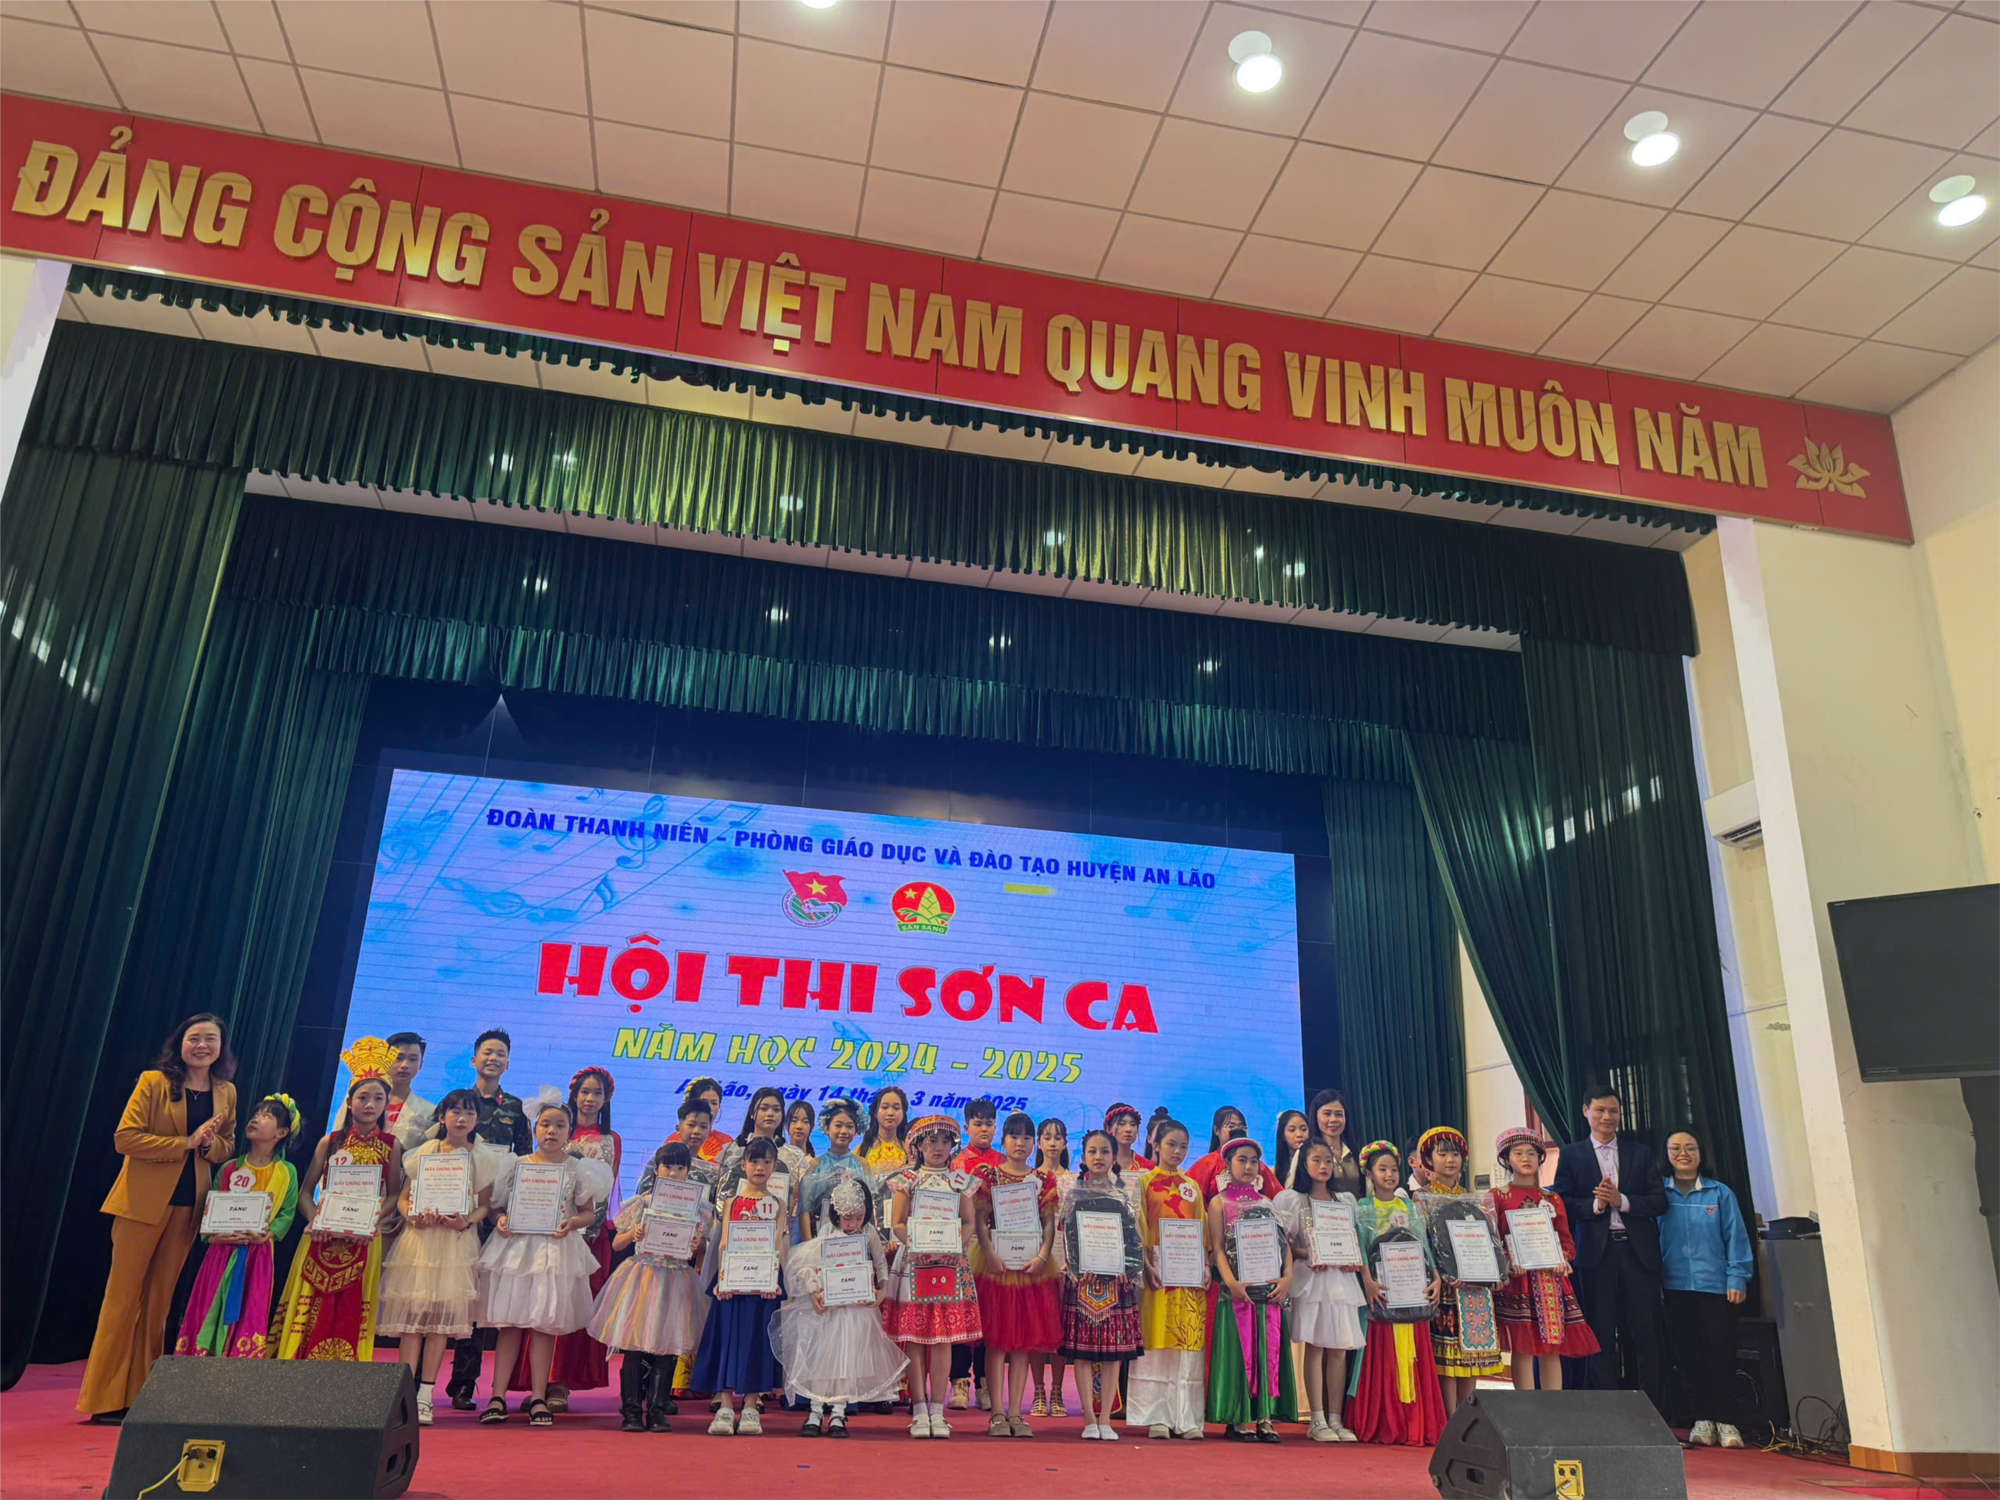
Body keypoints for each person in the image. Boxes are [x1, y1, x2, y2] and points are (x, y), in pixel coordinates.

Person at [78, 1013, 238, 1422]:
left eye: (211, 1039)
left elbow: (227, 1145)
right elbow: (125, 1138)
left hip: (188, 1208)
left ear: (221, 1047)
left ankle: (140, 1397)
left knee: (159, 1304)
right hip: (141, 1204)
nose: (202, 1046)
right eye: (194, 1038)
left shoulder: (226, 1091)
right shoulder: (153, 1082)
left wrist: (209, 1145)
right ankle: (103, 1399)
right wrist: (185, 1142)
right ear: (180, 1043)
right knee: (122, 1300)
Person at [476, 1090, 611, 1427]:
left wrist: (571, 1223)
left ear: (569, 1132)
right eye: (545, 1125)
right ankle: (497, 1396)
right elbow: (495, 1208)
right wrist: (500, 1220)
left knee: (543, 1325)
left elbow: (587, 1212)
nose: (552, 1131)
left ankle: (539, 1397)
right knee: (509, 1323)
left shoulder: (578, 1169)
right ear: (534, 1129)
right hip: (516, 1251)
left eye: (560, 1125)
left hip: (554, 1252)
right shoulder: (516, 1165)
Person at [275, 1037, 406, 1363]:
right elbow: (306, 1192)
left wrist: (373, 1219)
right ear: (349, 1101)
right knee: (310, 1304)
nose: (370, 1104)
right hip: (322, 1236)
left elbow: (392, 1194)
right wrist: (316, 1221)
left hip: (364, 1238)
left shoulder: (392, 1145)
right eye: (363, 1097)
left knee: (353, 1306)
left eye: (378, 1098)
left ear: (386, 1104)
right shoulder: (329, 1142)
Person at [381, 1088, 495, 1424]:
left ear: (477, 1119)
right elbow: (405, 1198)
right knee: (412, 1322)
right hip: (420, 1242)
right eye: (455, 1111)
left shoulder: (482, 1157)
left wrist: (466, 1221)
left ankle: (425, 1396)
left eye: (469, 1113)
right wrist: (411, 1216)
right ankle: (403, 1395)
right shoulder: (424, 1153)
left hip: (455, 1244)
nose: (462, 1119)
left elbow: (485, 1205)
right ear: (442, 1116)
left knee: (438, 1324)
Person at [1552, 1085, 1665, 1408]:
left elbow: (1659, 1201)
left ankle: (1652, 1410)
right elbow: (1562, 1202)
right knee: (1600, 1333)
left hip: (1637, 1254)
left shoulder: (1640, 1153)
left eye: (1613, 1111)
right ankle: (1609, 1410)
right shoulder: (1572, 1154)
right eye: (1600, 1110)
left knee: (1645, 1334)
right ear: (1585, 1111)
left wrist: (1622, 1200)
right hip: (1596, 1256)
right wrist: (1596, 1205)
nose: (1607, 1117)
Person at [773, 1174, 907, 1437]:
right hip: (828, 1309)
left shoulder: (868, 1232)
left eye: (859, 1218)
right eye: (848, 1219)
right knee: (821, 1360)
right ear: (836, 1214)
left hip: (856, 1310)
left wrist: (882, 1289)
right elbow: (811, 1264)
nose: (853, 1224)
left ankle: (838, 1413)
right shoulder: (827, 1231)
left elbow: (881, 1264)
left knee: (847, 1360)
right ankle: (815, 1411)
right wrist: (813, 1291)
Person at [591, 1141, 712, 1433]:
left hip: (676, 1280)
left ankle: (657, 1409)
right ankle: (631, 1410)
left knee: (667, 1348)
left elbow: (702, 1249)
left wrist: (698, 1244)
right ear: (656, 1169)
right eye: (667, 1166)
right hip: (643, 1279)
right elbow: (617, 1243)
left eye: (680, 1167)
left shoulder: (697, 1209)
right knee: (635, 1346)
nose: (673, 1173)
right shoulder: (642, 1203)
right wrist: (635, 1232)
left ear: (688, 1171)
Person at [173, 1093, 300, 1361]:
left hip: (257, 1254)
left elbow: (287, 1213)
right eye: (256, 1114)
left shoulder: (286, 1172)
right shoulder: (230, 1168)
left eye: (266, 1116)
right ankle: (199, 1356)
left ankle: (237, 1363)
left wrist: (267, 1234)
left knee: (249, 1305)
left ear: (281, 1132)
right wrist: (213, 1236)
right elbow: (211, 1208)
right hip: (221, 1252)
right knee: (210, 1299)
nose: (256, 1119)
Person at [443, 1027, 531, 1410]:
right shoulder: (456, 1102)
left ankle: (464, 1383)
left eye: (501, 1054)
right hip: (452, 1211)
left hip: (494, 1218)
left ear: (508, 1063)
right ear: (474, 1059)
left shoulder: (515, 1108)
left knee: (476, 1301)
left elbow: (526, 1163)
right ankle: (417, 1379)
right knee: (443, 1292)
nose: (493, 1058)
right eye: (487, 1052)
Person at [883, 1113, 981, 1438]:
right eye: (931, 1141)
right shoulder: (907, 1181)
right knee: (914, 1338)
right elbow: (898, 1223)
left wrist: (954, 1247)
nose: (938, 1147)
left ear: (953, 1146)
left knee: (943, 1338)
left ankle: (938, 1410)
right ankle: (919, 1409)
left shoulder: (960, 1181)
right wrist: (919, 1245)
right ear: (918, 1145)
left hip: (950, 1264)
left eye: (944, 1141)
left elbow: (969, 1222)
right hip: (915, 1263)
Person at [530, 1066, 621, 1411]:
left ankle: (561, 1382)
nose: (590, 1099)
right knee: (540, 1305)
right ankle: (535, 1383)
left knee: (573, 1307)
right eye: (585, 1091)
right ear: (573, 1094)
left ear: (606, 1098)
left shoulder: (612, 1140)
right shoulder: (556, 1128)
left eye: (597, 1093)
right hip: (547, 1232)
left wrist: (590, 1225)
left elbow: (608, 1190)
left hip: (592, 1236)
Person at [1660, 1129, 1754, 1449]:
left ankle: (1726, 1420)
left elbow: (1736, 1237)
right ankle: (1701, 1419)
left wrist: (1737, 1277)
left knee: (1721, 1353)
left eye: (1690, 1148)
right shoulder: (1660, 1195)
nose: (1683, 1154)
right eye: (1675, 1148)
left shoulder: (1720, 1193)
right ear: (1666, 1155)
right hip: (1674, 1287)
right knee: (1688, 1356)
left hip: (1717, 1288)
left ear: (1701, 1154)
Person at [1349, 1140, 1446, 1446]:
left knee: (1414, 1353)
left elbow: (1423, 1247)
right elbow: (1359, 1247)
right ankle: (1384, 1421)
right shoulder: (1362, 1208)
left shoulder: (1409, 1206)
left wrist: (1436, 1277)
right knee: (1382, 1356)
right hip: (1381, 1294)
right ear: (1369, 1174)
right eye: (1382, 1169)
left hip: (1411, 1291)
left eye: (1393, 1169)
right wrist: (1367, 1279)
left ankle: (1414, 1422)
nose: (1389, 1175)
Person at [969, 1110, 1061, 1434]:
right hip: (996, 1267)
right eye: (1014, 1136)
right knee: (996, 1341)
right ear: (1003, 1140)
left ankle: (1016, 1412)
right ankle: (996, 1412)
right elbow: (980, 1221)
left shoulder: (1043, 1180)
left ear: (1034, 1143)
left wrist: (1043, 1256)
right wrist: (989, 1253)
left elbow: (1049, 1223)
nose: (1020, 1143)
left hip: (1031, 1267)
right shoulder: (989, 1176)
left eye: (1026, 1137)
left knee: (1023, 1342)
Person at [693, 1134, 791, 1435]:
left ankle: (750, 1406)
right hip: (732, 1282)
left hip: (763, 1284)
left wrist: (774, 1277)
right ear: (744, 1164)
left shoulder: (778, 1204)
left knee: (757, 1341)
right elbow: (724, 1242)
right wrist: (723, 1278)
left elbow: (778, 1243)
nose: (760, 1167)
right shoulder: (733, 1202)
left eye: (766, 1162)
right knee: (727, 1338)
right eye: (754, 1161)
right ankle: (725, 1406)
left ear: (774, 1166)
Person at [1275, 1138, 1366, 1442]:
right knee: (1315, 1348)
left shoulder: (1345, 1200)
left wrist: (1352, 1259)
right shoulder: (1293, 1200)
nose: (1324, 1166)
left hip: (1341, 1281)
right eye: (1316, 1160)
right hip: (1312, 1281)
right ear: (1303, 1163)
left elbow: (1353, 1240)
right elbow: (1285, 1246)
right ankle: (1316, 1418)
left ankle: (1336, 1418)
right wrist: (1308, 1254)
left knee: (1339, 1350)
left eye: (1328, 1160)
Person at [1494, 1126, 1599, 1390]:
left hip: (1549, 1280)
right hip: (1518, 1280)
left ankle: (1554, 1406)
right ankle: (1527, 1408)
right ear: (1507, 1159)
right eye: (1518, 1153)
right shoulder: (1498, 1197)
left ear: (1540, 1158)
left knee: (1552, 1348)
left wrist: (1563, 1257)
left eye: (1531, 1153)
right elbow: (1493, 1239)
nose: (1526, 1158)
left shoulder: (1552, 1198)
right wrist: (1507, 1260)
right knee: (1523, 1347)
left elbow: (1565, 1239)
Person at [1206, 1134, 1296, 1441]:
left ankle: (1265, 1417)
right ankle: (1239, 1418)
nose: (1248, 1166)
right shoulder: (1219, 1203)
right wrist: (1231, 1282)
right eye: (1241, 1160)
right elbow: (1218, 1249)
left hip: (1268, 1291)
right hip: (1236, 1293)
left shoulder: (1267, 1203)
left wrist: (1287, 1277)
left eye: (1253, 1161)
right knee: (1240, 1352)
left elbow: (1283, 1246)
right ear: (1227, 1165)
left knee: (1267, 1351)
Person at [1416, 1127, 1509, 1414]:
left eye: (1455, 1154)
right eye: (1442, 1154)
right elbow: (1423, 1244)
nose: (1450, 1160)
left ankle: (1467, 1416)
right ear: (1428, 1159)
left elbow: (1490, 1240)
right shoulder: (1421, 1198)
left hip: (1475, 1285)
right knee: (1447, 1358)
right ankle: (1449, 1420)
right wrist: (1440, 1273)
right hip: (1445, 1286)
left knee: (1470, 1359)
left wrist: (1497, 1271)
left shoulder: (1473, 1198)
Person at [1059, 1129, 1143, 1441]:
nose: (1098, 1157)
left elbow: (1133, 1240)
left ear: (1113, 1157)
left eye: (1105, 1151)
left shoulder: (1124, 1196)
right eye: (1092, 1151)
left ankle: (1106, 1418)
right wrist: (1077, 1269)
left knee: (1113, 1354)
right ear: (1083, 1156)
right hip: (1083, 1281)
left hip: (1117, 1284)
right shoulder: (1073, 1194)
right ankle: (1089, 1419)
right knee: (1082, 1353)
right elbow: (1069, 1237)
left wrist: (1128, 1269)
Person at [1127, 1116, 1208, 1440]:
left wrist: (1204, 1266)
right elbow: (1139, 1227)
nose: (1177, 1151)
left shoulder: (1193, 1187)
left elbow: (1201, 1228)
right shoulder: (1144, 1182)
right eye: (1171, 1144)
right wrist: (1147, 1266)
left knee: (1187, 1344)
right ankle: (1157, 1416)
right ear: (1155, 1144)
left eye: (1183, 1146)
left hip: (1189, 1278)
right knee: (1157, 1343)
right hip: (1158, 1277)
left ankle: (1187, 1418)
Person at [949, 1096, 1003, 1410]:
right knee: (961, 1314)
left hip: (995, 1249)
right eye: (978, 1124)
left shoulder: (1004, 1162)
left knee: (989, 1315)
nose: (985, 1129)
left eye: (990, 1124)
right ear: (966, 1127)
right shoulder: (956, 1164)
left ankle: (984, 1382)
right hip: (964, 1246)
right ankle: (959, 1381)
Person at [1031, 1116, 1074, 1418]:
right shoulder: (1029, 1179)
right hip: (1035, 1262)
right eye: (1047, 1137)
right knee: (1036, 1328)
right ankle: (1038, 1391)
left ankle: (1057, 1391)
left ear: (1066, 1143)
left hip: (1066, 1263)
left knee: (1060, 1329)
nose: (1052, 1143)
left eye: (1058, 1138)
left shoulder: (1075, 1181)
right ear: (1038, 1142)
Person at [333, 1032, 432, 1151]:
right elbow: (337, 1136)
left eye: (412, 1059)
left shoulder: (428, 1112)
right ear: (386, 1058)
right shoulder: (358, 1098)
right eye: (399, 1058)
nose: (405, 1065)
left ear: (420, 1064)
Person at [1189, 1106, 1280, 1200]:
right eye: (1231, 1126)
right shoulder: (1206, 1164)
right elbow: (1192, 1200)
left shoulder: (1258, 1166)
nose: (1237, 1130)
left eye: (1241, 1127)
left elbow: (1278, 1198)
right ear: (1216, 1130)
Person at [1307, 1089, 1363, 1197]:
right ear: (1315, 1116)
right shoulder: (1305, 1152)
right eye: (1327, 1114)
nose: (1333, 1119)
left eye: (1339, 1114)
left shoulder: (1356, 1154)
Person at [667, 1077, 733, 1164]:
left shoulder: (727, 1143)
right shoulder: (673, 1141)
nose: (709, 1107)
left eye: (714, 1103)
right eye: (704, 1102)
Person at [859, 1084, 911, 1184]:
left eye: (896, 1108)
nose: (890, 1113)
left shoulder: (909, 1150)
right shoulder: (862, 1151)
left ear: (903, 1113)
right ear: (875, 1113)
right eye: (885, 1107)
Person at [1104, 1103, 1154, 1175]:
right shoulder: (1099, 1164)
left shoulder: (1148, 1167)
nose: (1128, 1129)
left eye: (1133, 1124)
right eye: (1122, 1124)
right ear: (1108, 1129)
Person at [1271, 1109, 1312, 1193]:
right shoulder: (1273, 1172)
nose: (1299, 1134)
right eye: (1292, 1130)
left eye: (1304, 1129)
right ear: (1283, 1135)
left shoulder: (1316, 1166)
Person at [785, 1098, 819, 1167]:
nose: (799, 1126)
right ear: (786, 1125)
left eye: (805, 1122)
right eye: (794, 1121)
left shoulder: (815, 1165)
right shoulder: (778, 1159)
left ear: (812, 1127)